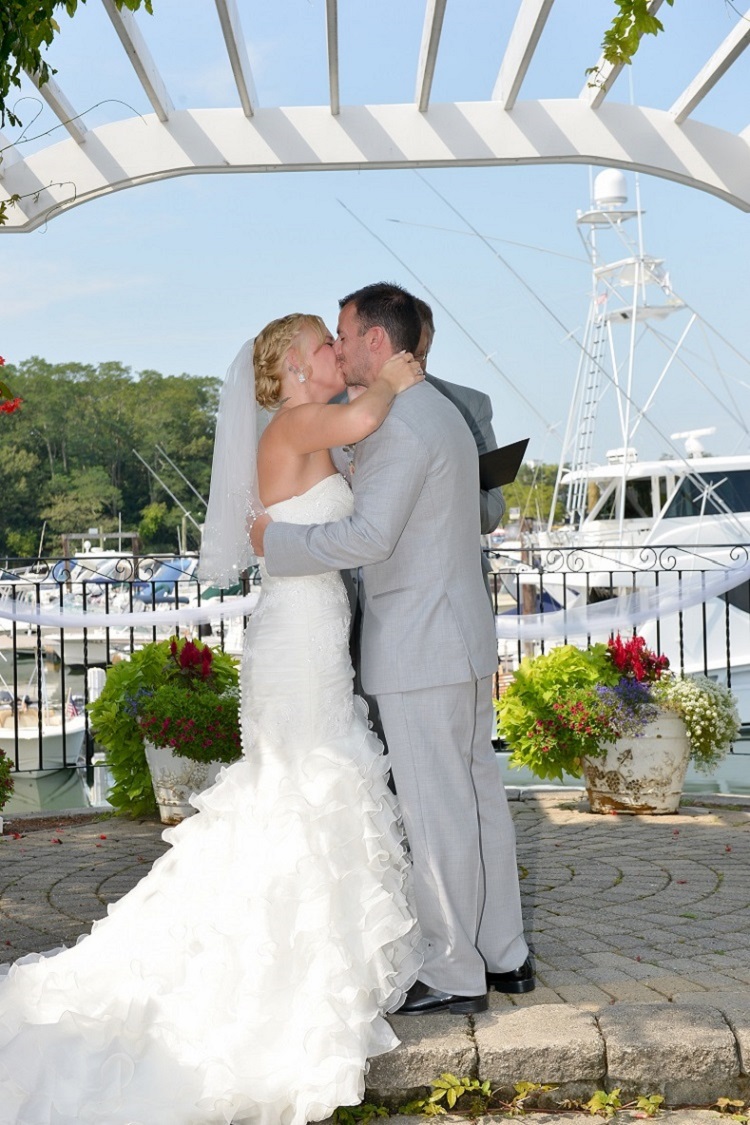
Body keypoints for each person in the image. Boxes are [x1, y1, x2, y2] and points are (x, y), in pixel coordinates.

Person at [0, 314, 425, 1125]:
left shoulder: (304, 424)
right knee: (305, 780)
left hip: (309, 627)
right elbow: (369, 417)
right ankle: (287, 964)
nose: (341, 354)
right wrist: (396, 378)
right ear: (299, 363)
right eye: (327, 345)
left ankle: (309, 952)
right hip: (300, 635)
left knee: (300, 783)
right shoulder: (301, 420)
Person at [251, 283, 533, 1017]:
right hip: (456, 640)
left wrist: (277, 543)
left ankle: (455, 969)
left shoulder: (401, 424)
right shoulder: (429, 413)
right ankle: (504, 953)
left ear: (376, 341)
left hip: (420, 648)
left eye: (343, 335)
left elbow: (367, 538)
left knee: (442, 811)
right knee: (475, 799)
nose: (339, 349)